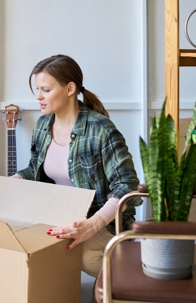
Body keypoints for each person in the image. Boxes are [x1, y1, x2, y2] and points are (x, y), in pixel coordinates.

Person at [12, 54, 142, 278]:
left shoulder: (101, 129)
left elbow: (127, 186)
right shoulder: (43, 125)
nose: (38, 97)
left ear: (70, 88)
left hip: (100, 223)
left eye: (46, 89)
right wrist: (9, 183)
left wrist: (91, 225)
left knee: (84, 257)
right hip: (57, 214)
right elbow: (34, 171)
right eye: (37, 89)